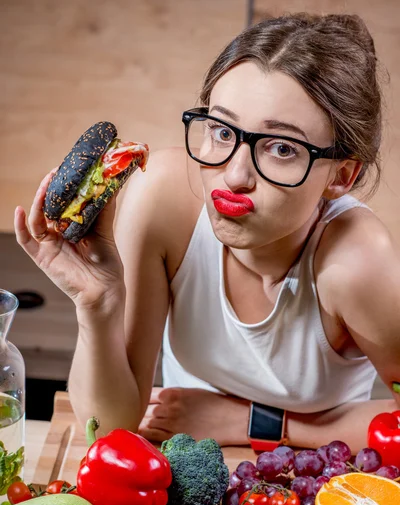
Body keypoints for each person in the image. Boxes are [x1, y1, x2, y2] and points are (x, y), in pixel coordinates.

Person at [15, 13, 400, 452]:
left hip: (319, 479)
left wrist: (258, 422)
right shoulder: (161, 197)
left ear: (342, 176)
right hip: (186, 469)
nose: (234, 176)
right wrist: (99, 303)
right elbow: (108, 430)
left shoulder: (358, 261)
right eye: (221, 131)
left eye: (281, 148)